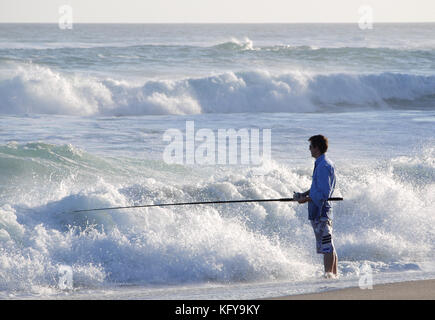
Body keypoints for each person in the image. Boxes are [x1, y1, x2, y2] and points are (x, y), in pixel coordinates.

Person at [294, 135, 338, 278]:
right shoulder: (322, 163)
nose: (309, 149)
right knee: (328, 245)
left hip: (321, 211)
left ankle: (329, 276)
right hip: (319, 211)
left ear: (317, 148)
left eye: (311, 146)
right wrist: (304, 194)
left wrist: (306, 199)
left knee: (327, 246)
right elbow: (316, 188)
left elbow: (324, 193)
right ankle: (333, 275)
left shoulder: (324, 165)